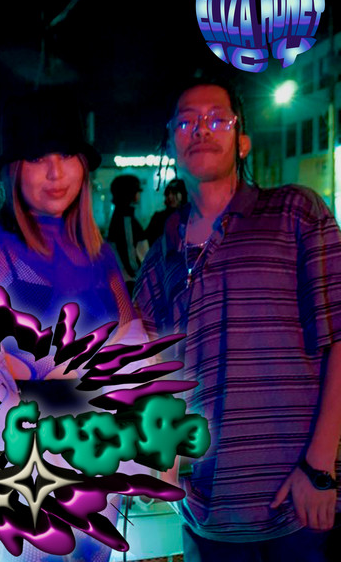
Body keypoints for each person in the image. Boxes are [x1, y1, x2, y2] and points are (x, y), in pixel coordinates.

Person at [133, 79, 341, 561]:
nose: (201, 130)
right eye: (186, 122)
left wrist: (319, 468)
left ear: (242, 140)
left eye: (217, 119)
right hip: (204, 513)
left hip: (296, 505)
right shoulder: (163, 255)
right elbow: (151, 365)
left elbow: (337, 338)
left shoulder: (295, 213)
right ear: (171, 143)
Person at [0, 89, 146, 561]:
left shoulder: (101, 253)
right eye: (37, 157)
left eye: (68, 155)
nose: (56, 172)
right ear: (14, 169)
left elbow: (132, 351)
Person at [107, 173, 148, 295]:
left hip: (126, 279)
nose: (139, 194)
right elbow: (130, 254)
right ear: (130, 193)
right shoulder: (125, 219)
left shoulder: (120, 216)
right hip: (130, 281)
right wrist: (140, 273)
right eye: (137, 191)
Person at [144, 177, 187, 245]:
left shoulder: (190, 217)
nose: (170, 196)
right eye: (167, 193)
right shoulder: (158, 218)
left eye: (174, 192)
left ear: (183, 194)